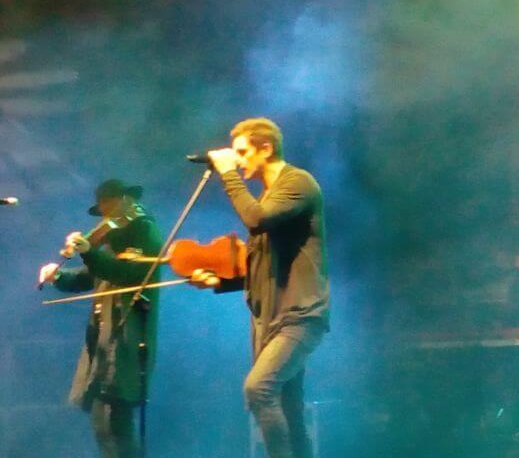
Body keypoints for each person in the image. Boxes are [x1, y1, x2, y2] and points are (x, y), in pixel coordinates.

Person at [190, 117, 330, 458]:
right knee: (290, 408)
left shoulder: (298, 183)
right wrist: (219, 281)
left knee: (259, 389)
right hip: (269, 318)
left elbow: (256, 219)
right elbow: (260, 266)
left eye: (242, 152)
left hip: (299, 316)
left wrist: (228, 174)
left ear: (265, 148)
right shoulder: (269, 196)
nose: (237, 160)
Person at [39, 179, 163, 458]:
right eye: (103, 209)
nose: (107, 217)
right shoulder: (111, 242)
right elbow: (90, 276)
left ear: (125, 200)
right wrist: (58, 276)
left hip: (127, 336)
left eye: (110, 205)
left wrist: (89, 252)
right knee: (103, 422)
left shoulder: (144, 230)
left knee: (114, 422)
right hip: (104, 338)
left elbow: (126, 273)